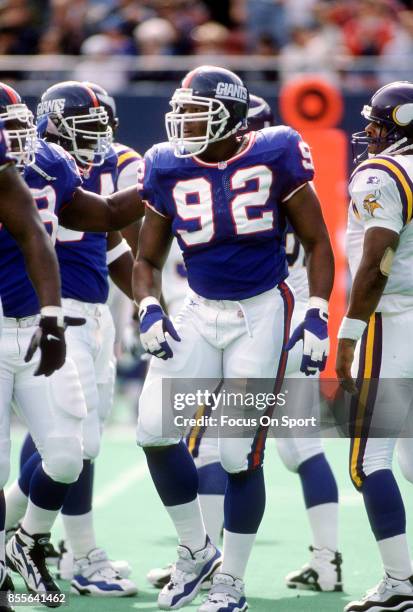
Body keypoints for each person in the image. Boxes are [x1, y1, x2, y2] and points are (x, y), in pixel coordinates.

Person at [133, 65, 334, 611]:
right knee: (153, 429)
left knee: (237, 454)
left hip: (263, 311)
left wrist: (317, 313)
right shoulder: (167, 164)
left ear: (229, 114)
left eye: (197, 111)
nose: (184, 122)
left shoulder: (274, 151)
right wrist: (148, 305)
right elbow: (146, 257)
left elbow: (317, 242)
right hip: (198, 310)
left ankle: (232, 583)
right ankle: (196, 550)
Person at [0, 81, 144, 602]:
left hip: (59, 322)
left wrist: (146, 305)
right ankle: (61, 556)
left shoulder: (55, 167)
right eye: (7, 128)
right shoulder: (32, 167)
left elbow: (103, 231)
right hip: (32, 321)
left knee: (72, 451)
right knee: (51, 453)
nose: (19, 139)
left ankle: (32, 542)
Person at [336, 80, 413, 612]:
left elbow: (377, 264)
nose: (369, 131)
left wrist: (349, 332)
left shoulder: (381, 173)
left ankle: (400, 582)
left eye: (379, 123)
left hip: (393, 320)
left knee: (370, 458)